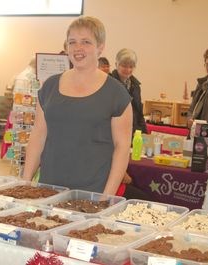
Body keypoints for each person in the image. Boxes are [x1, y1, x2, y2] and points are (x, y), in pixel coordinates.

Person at [22, 16, 133, 196]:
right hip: (48, 190)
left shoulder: (116, 94)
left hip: (92, 194)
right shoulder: (49, 87)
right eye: (72, 42)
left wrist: (106, 197)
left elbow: (122, 148)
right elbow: (38, 136)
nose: (78, 48)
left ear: (100, 47)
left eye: (86, 42)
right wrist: (25, 183)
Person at [111, 48, 147, 134]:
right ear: (116, 64)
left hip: (134, 133)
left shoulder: (136, 85)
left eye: (131, 66)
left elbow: (139, 113)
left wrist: (145, 135)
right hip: (115, 133)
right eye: (124, 66)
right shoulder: (110, 84)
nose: (128, 70)